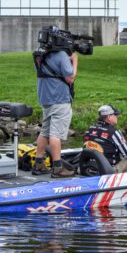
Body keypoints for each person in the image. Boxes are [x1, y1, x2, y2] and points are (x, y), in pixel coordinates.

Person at [32, 48, 78, 177]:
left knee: (45, 131)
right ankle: (58, 168)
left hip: (45, 100)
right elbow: (70, 77)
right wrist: (74, 60)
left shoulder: (39, 54)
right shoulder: (61, 54)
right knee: (55, 134)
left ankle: (38, 164)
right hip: (60, 100)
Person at [82, 105, 127, 173]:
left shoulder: (90, 129)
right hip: (108, 171)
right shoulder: (114, 132)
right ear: (109, 117)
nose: (117, 117)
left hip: (89, 167)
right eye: (115, 115)